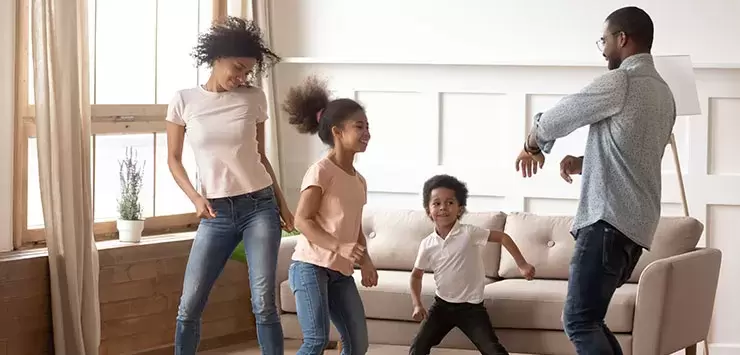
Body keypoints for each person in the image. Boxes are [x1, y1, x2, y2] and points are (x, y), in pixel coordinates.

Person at [514, 6, 676, 355]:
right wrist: (585, 163)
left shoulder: (622, 80)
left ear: (622, 38)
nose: (602, 49)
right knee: (592, 320)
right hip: (635, 231)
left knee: (578, 321)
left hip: (606, 222)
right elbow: (640, 157)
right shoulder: (665, 94)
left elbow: (560, 117)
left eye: (604, 40)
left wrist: (532, 143)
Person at [165, 17, 293, 355]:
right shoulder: (184, 100)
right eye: (237, 68)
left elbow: (261, 156)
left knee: (263, 301)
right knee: (189, 304)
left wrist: (283, 204)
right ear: (217, 58)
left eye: (247, 72)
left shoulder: (254, 98)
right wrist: (194, 197)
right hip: (215, 212)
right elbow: (173, 160)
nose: (241, 78)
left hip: (259, 207)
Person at [283, 76, 378, 355]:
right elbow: (302, 220)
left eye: (367, 126)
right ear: (337, 131)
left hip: (340, 271)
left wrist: (366, 260)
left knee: (358, 344)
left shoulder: (358, 180)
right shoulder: (321, 171)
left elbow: (353, 227)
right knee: (315, 341)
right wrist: (339, 247)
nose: (367, 133)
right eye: (359, 126)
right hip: (310, 266)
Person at [409, 174, 536, 355]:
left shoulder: (468, 233)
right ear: (428, 210)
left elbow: (502, 237)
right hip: (441, 306)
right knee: (417, 348)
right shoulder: (427, 244)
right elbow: (415, 275)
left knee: (493, 350)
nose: (443, 208)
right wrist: (417, 304)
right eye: (436, 203)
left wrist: (522, 264)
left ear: (459, 209)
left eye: (450, 202)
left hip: (471, 308)